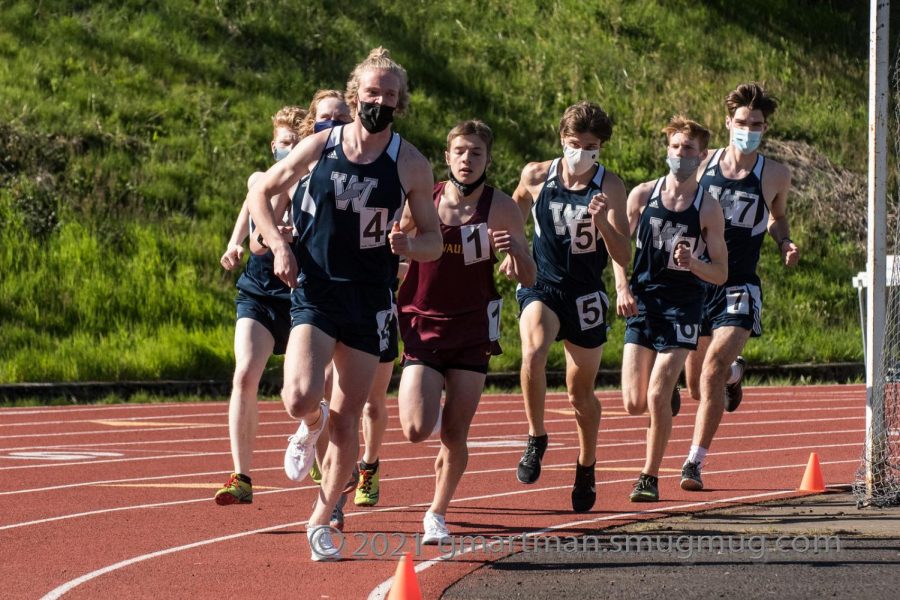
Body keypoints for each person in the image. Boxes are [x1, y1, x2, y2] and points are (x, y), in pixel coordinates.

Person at [247, 47, 442, 561]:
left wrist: (409, 247)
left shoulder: (410, 163)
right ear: (356, 95)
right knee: (298, 395)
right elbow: (261, 193)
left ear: (399, 105)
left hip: (370, 298)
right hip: (317, 288)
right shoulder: (321, 145)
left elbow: (433, 239)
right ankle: (306, 426)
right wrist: (281, 245)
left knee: (348, 417)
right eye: (372, 93)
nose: (380, 101)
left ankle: (322, 518)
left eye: (390, 96)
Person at [396, 119, 536, 543]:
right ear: (447, 156)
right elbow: (397, 252)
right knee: (416, 429)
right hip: (423, 320)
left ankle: (437, 513)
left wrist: (513, 255)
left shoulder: (501, 208)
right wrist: (398, 257)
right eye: (460, 151)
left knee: (456, 433)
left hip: (473, 327)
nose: (467, 160)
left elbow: (530, 275)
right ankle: (432, 397)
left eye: (476, 153)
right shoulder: (425, 199)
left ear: (488, 160)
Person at [512, 101, 631, 513]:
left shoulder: (610, 185)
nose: (581, 152)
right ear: (562, 140)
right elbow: (512, 215)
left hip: (585, 295)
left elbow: (624, 253)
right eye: (574, 143)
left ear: (601, 148)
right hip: (543, 285)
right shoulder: (536, 174)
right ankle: (536, 436)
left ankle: (586, 463)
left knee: (580, 395)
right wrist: (512, 251)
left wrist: (602, 223)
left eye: (591, 145)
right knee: (533, 349)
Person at [680, 83, 798, 491]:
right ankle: (735, 375)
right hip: (698, 281)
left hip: (739, 284)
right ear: (728, 123)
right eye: (742, 122)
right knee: (697, 386)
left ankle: (694, 462)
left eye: (757, 124)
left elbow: (776, 218)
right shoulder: (703, 163)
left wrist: (785, 241)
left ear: (766, 128)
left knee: (708, 370)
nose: (749, 129)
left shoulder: (775, 174)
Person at [613, 115, 728, 503]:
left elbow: (721, 271)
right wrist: (621, 285)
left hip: (683, 307)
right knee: (633, 402)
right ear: (667, 151)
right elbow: (620, 249)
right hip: (643, 301)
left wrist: (693, 263)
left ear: (702, 156)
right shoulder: (642, 195)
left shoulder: (707, 208)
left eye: (689, 149)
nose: (681, 154)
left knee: (657, 398)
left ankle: (648, 477)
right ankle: (670, 387)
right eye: (676, 147)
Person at [214, 105, 305, 505]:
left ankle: (312, 431)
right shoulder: (260, 180)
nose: (290, 149)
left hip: (304, 296)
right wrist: (234, 243)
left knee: (298, 395)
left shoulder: (315, 187)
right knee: (245, 375)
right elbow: (250, 209)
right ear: (274, 147)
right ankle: (241, 477)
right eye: (285, 143)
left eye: (297, 143)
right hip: (259, 292)